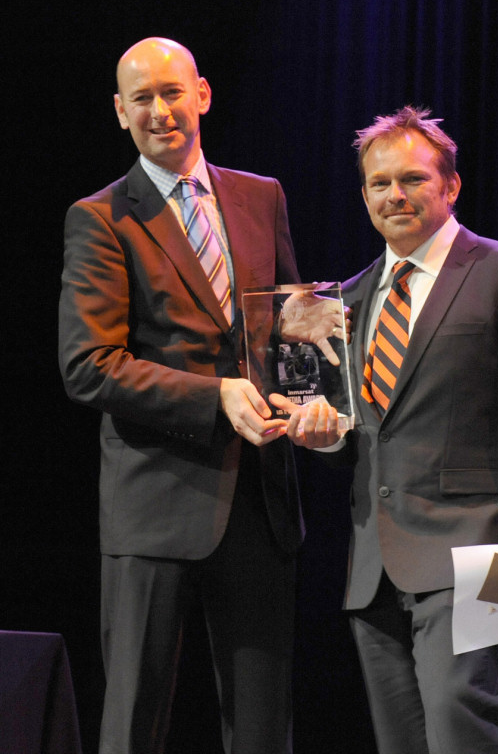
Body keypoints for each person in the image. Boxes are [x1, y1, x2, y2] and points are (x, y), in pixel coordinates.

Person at [58, 37, 341, 754]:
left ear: (203, 94)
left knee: (261, 726)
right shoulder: (99, 217)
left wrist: (316, 392)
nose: (161, 110)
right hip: (153, 501)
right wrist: (216, 397)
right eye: (142, 99)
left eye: (172, 92)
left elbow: (286, 330)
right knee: (134, 718)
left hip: (258, 496)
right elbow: (89, 366)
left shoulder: (260, 195)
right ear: (120, 113)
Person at [277, 106, 498, 753]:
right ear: (363, 195)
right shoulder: (347, 299)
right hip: (375, 566)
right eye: (381, 183)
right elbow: (360, 432)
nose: (396, 195)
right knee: (405, 743)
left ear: (450, 186)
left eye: (413, 179)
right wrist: (323, 432)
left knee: (460, 726)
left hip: (479, 546)